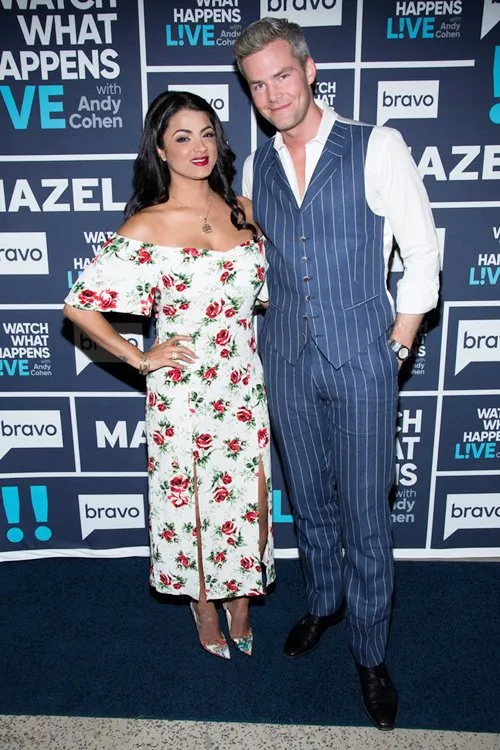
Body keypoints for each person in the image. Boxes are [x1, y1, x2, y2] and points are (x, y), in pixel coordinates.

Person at [234, 18, 440, 728]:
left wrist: (398, 345)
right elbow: (263, 261)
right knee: (310, 499)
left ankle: (371, 652)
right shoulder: (256, 164)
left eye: (282, 76)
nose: (273, 95)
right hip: (285, 359)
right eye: (258, 86)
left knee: (365, 512)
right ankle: (325, 602)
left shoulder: (376, 145)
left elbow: (422, 252)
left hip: (363, 359)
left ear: (310, 70)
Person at [63, 90, 275, 660]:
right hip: (183, 390)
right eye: (182, 137)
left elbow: (265, 297)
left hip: (243, 381)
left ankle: (241, 596)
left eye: (207, 133)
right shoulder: (148, 225)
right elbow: (79, 306)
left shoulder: (244, 211)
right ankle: (202, 602)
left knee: (250, 496)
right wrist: (140, 357)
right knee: (192, 502)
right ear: (160, 149)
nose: (198, 147)